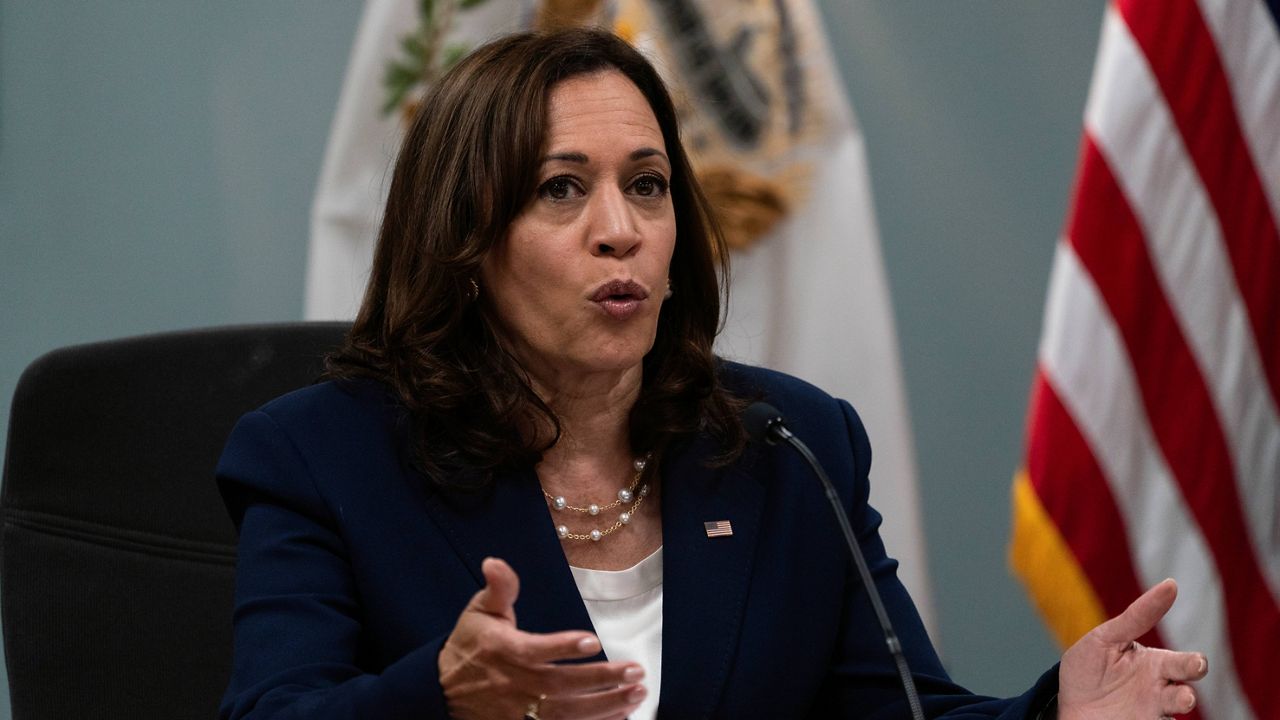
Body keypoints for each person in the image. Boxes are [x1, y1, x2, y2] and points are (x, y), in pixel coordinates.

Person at [216, 28, 1207, 720]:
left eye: (646, 185)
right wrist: (435, 697)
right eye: (561, 190)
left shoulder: (785, 442)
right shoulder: (321, 457)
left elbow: (901, 712)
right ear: (465, 240)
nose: (622, 230)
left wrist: (1057, 713)